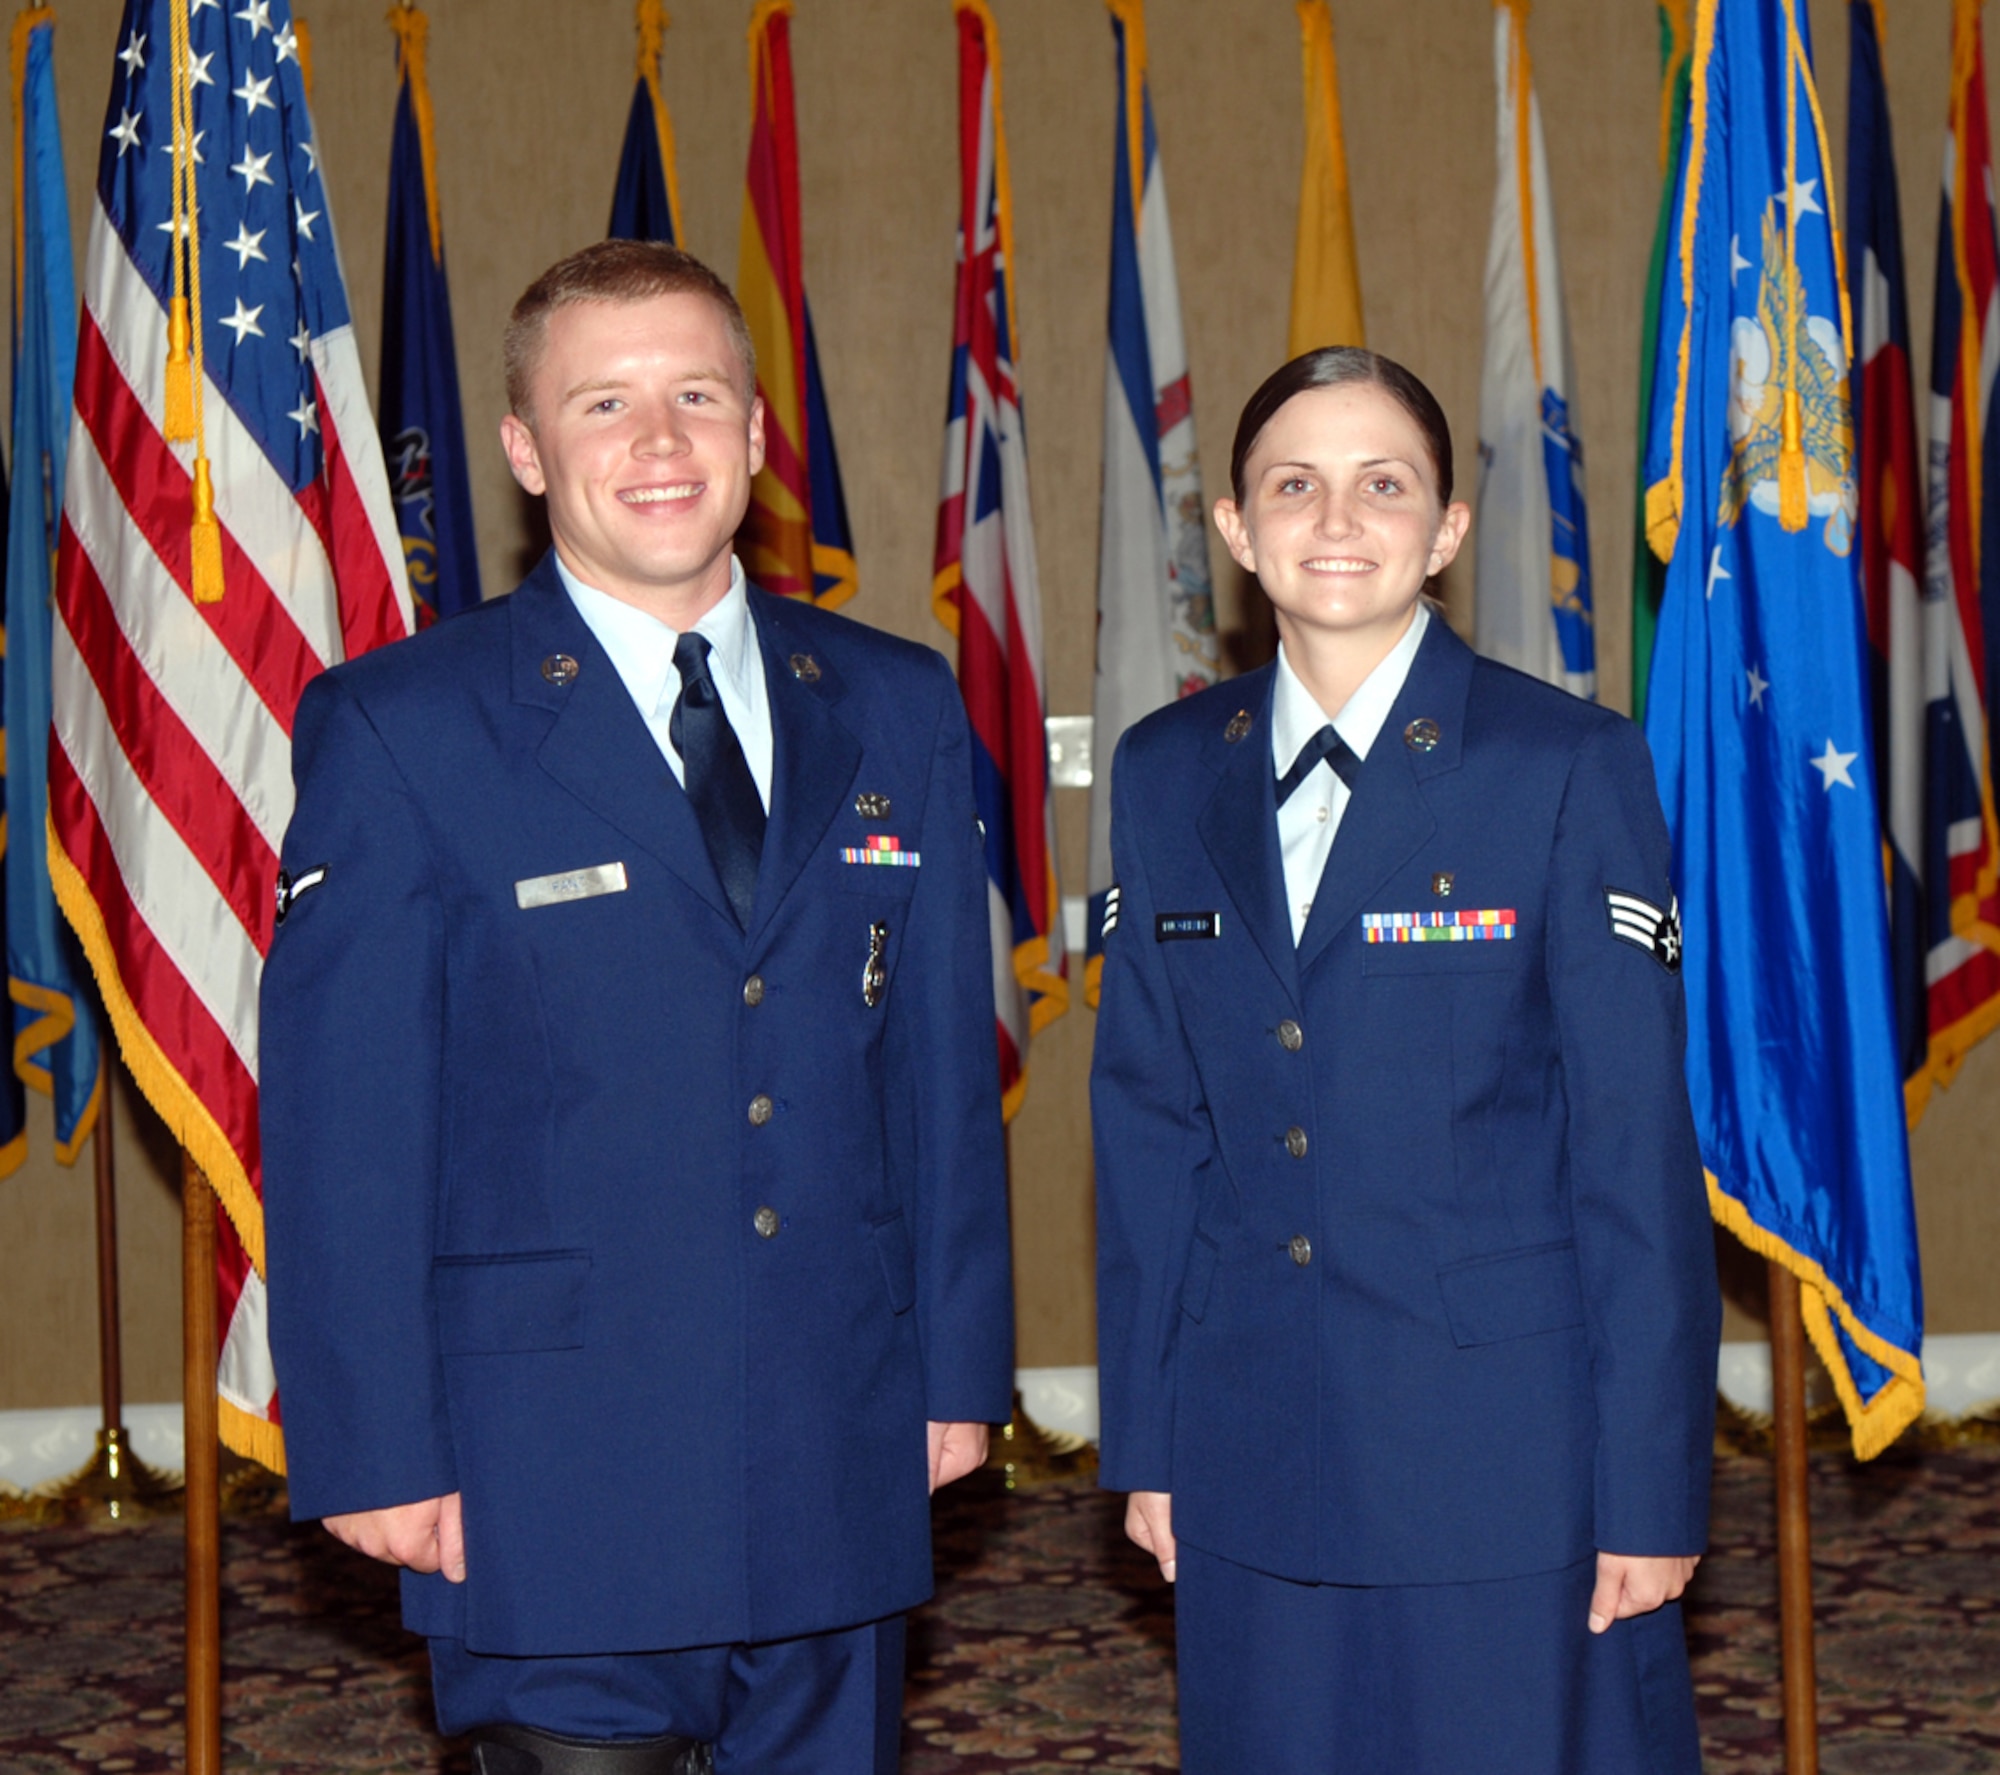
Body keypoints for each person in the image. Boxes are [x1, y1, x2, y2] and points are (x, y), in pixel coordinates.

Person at [262, 239, 1013, 1775]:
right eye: (605, 404)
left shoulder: (896, 703)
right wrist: (376, 1443)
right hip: (548, 1470)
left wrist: (957, 1373)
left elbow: (936, 1075)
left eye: (696, 396)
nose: (660, 443)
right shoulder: (403, 727)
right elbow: (348, 1132)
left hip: (833, 1442)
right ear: (529, 451)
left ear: (753, 432)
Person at [1090, 347, 1720, 1774]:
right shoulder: (1165, 770)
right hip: (1250, 1441)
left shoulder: (1560, 763)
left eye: (1385, 486)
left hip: (1505, 1456)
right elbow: (1148, 1130)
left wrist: (1650, 1489)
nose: (1336, 521)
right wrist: (1148, 1437)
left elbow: (1629, 1155)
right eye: (1293, 486)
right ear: (1236, 530)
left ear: (1444, 529)